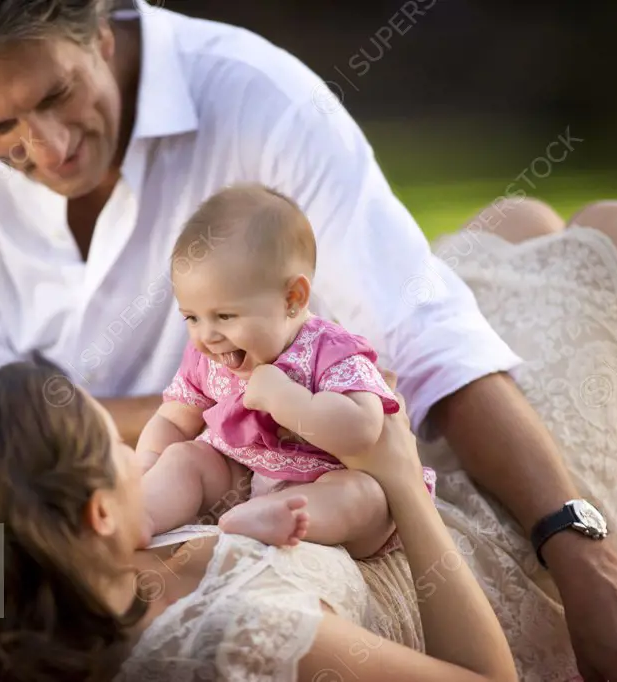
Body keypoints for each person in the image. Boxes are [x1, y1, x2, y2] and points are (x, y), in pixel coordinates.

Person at [0, 0, 617, 679]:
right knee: (613, 236)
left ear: (101, 28)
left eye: (59, 96)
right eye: (1, 131)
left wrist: (585, 558)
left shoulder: (256, 95)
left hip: (70, 465)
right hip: (45, 461)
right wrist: (220, 425)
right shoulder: (211, 603)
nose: (50, 147)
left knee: (521, 231)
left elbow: (430, 341)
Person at [0, 355, 519, 682]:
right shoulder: (242, 637)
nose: (135, 454)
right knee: (616, 227)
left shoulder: (89, 590)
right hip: (486, 567)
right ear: (96, 512)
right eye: (116, 447)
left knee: (526, 232)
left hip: (408, 506)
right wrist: (401, 477)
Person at [139, 183, 434, 557]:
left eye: (225, 316)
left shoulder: (331, 352)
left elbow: (362, 430)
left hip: (325, 483)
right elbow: (175, 421)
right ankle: (140, 516)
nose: (207, 335)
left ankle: (276, 517)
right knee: (184, 458)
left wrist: (288, 400)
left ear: (293, 299)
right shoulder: (209, 356)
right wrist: (148, 463)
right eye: (192, 317)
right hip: (241, 478)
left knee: (364, 496)